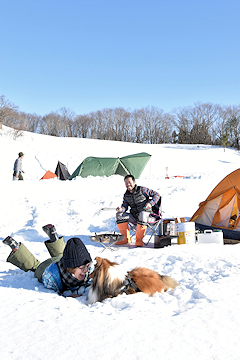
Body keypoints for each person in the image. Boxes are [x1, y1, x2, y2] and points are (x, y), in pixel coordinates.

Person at [2, 224, 92, 297]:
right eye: (83, 267)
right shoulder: (50, 276)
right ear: (71, 268)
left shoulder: (87, 268)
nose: (86, 270)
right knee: (35, 267)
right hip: (45, 267)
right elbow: (52, 295)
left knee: (62, 255)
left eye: (88, 266)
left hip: (60, 260)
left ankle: (53, 236)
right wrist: (67, 296)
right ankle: (15, 247)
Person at [115, 174, 161, 247]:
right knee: (119, 215)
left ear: (134, 182)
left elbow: (157, 194)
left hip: (148, 216)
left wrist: (150, 203)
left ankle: (139, 240)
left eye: (129, 182)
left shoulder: (142, 190)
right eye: (126, 183)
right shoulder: (126, 195)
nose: (128, 184)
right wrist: (121, 209)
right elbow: (125, 206)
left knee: (142, 214)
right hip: (135, 217)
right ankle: (125, 239)